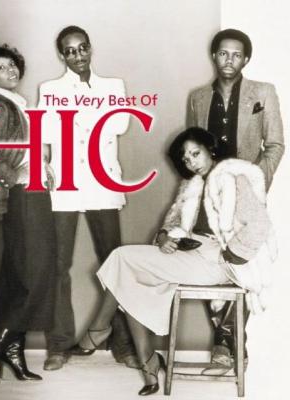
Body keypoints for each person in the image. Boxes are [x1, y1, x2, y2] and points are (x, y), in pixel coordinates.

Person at [75, 127, 276, 396]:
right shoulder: (191, 184)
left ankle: (100, 331)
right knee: (127, 272)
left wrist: (232, 254)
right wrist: (162, 238)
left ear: (210, 149)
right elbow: (171, 222)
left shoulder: (234, 178)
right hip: (188, 252)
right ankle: (147, 363)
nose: (191, 162)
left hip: (215, 260)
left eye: (196, 153)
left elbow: (260, 224)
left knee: (123, 260)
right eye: (186, 158)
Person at [37, 25, 137, 371]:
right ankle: (58, 345)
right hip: (65, 182)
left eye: (82, 48)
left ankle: (123, 343)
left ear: (90, 48)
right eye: (70, 50)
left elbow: (119, 125)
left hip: (102, 181)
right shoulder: (50, 90)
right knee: (58, 266)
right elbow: (46, 134)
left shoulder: (113, 86)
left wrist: (77, 117)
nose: (77, 55)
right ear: (61, 55)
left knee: (115, 264)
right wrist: (43, 164)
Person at [187, 28, 284, 371]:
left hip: (244, 195)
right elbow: (192, 148)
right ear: (214, 56)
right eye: (223, 53)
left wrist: (254, 181)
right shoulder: (199, 97)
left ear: (246, 59)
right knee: (211, 259)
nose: (229, 60)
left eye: (237, 54)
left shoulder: (263, 92)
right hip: (209, 194)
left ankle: (224, 345)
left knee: (242, 262)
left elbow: (275, 145)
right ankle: (230, 345)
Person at [0, 45, 57, 384]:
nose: (10, 71)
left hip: (31, 189)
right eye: (1, 67)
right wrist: (13, 174)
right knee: (36, 269)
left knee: (20, 271)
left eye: (12, 65)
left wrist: (41, 166)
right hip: (22, 194)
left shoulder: (14, 103)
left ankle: (13, 351)